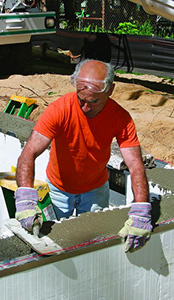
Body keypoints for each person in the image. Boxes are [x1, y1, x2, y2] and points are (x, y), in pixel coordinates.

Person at [15, 59, 152, 253]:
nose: (86, 108)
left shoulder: (121, 118)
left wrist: (141, 208)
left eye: (94, 101)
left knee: (93, 246)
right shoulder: (59, 110)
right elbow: (29, 152)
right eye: (82, 100)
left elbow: (135, 164)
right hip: (58, 190)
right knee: (56, 245)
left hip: (96, 191)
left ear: (110, 90)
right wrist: (25, 197)